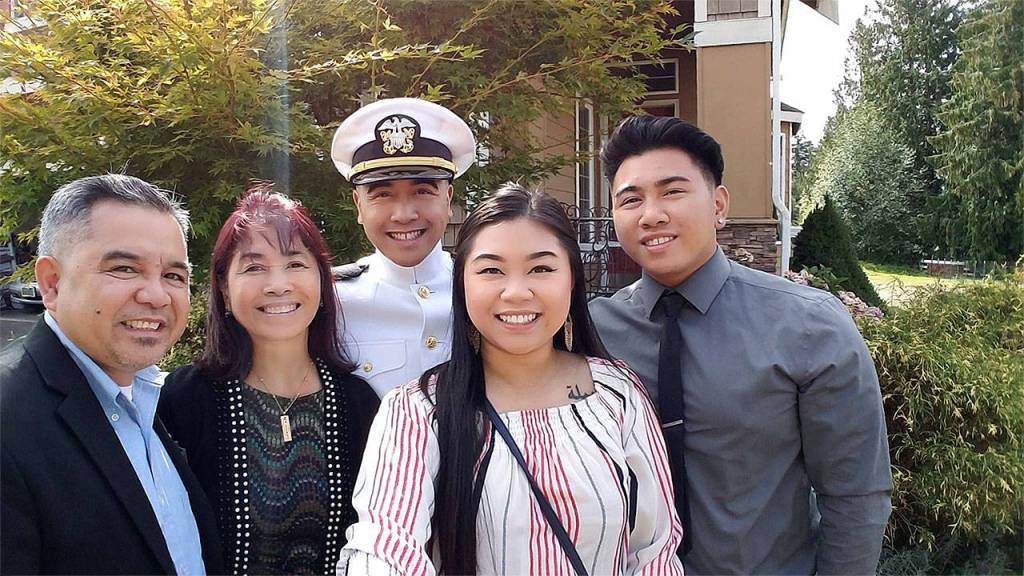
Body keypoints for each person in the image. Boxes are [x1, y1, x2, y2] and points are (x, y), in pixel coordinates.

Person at [589, 115, 893, 575]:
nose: (651, 214)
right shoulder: (592, 330)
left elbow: (855, 493)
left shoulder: (808, 326)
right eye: (630, 199)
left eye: (672, 191)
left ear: (718, 205)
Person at [338, 185, 683, 576]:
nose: (517, 292)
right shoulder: (417, 412)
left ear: (571, 279)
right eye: (491, 270)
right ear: (462, 285)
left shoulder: (616, 394)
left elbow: (656, 549)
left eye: (541, 268)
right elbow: (386, 547)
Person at [0, 174, 222, 574]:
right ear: (52, 283)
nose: (156, 295)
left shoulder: (148, 397)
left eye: (174, 276)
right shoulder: (10, 420)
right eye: (123, 268)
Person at [158, 186, 381, 575]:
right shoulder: (185, 401)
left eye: (295, 264)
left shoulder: (359, 403)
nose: (278, 284)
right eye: (254, 267)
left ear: (322, 283)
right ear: (224, 290)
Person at [330, 97, 476, 397]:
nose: (404, 214)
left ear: (448, 200)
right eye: (382, 194)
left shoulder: (481, 289)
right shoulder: (332, 303)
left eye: (423, 191)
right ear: (359, 205)